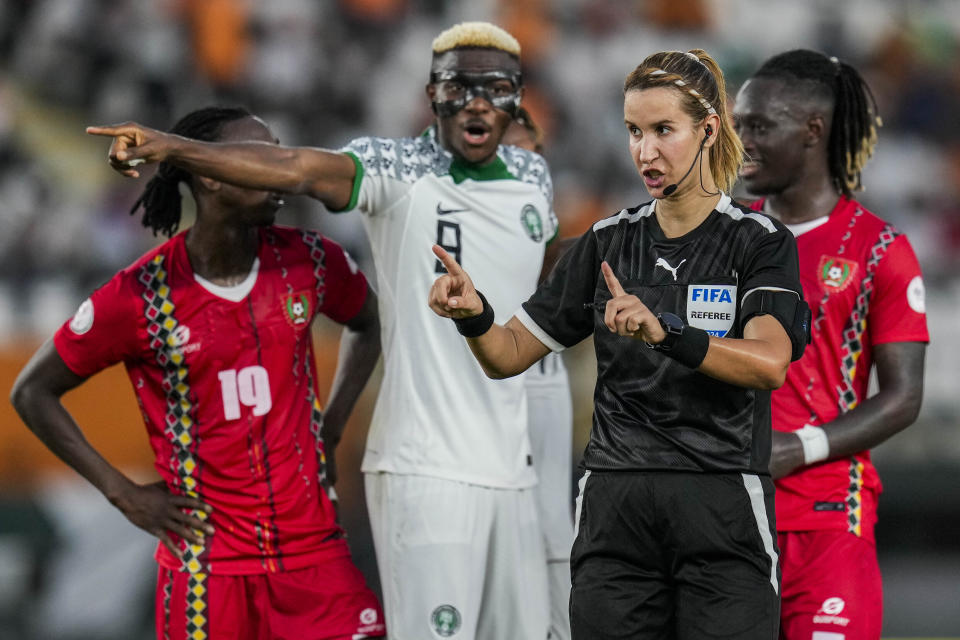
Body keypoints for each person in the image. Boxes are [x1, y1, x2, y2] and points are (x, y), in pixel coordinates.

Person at [86, 22, 556, 640]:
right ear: (431, 94)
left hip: (517, 472)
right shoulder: (395, 166)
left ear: (517, 96)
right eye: (458, 86)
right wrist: (172, 147)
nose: (475, 101)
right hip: (428, 472)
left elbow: (541, 272)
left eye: (494, 88)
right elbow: (297, 167)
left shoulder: (535, 178)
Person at [428, 49, 812, 639]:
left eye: (664, 130)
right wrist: (475, 316)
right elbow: (507, 355)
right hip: (615, 505)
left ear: (709, 129)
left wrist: (670, 331)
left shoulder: (758, 242)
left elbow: (769, 363)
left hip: (721, 499)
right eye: (634, 131)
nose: (645, 151)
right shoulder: (605, 242)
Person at [11, 106, 386, 640]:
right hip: (208, 571)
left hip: (314, 557)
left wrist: (333, 425)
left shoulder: (311, 261)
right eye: (262, 156)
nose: (278, 168)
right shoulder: (140, 297)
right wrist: (122, 492)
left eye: (280, 152)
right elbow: (33, 392)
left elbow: (370, 323)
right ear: (210, 174)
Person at [733, 49, 929, 640]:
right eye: (738, 125)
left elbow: (904, 398)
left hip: (825, 521)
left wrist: (799, 446)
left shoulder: (878, 250)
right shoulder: (721, 239)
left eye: (760, 126)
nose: (741, 141)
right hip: (724, 520)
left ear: (813, 131)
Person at [503, 106, 575, 640]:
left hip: (554, 536)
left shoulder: (563, 261)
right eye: (513, 160)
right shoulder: (442, 253)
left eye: (536, 160)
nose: (530, 173)